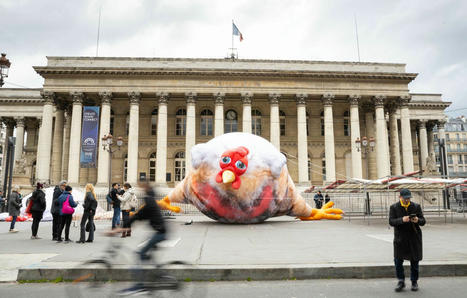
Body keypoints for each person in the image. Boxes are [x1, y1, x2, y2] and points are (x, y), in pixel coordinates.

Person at [113, 181, 168, 296]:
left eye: (143, 189)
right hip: (160, 231)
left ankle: (140, 285)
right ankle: (161, 274)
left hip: (160, 232)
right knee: (147, 255)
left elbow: (138, 216)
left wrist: (120, 229)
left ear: (147, 191)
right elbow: (139, 216)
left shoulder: (149, 202)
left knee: (139, 254)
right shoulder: (151, 200)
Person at [389, 188, 426, 292]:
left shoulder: (416, 206)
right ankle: (401, 281)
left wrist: (418, 220)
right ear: (400, 197)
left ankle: (414, 282)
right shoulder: (394, 207)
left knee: (415, 261)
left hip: (414, 237)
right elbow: (391, 221)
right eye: (405, 198)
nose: (407, 200)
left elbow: (423, 221)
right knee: (398, 261)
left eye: (409, 198)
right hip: (400, 238)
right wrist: (402, 220)